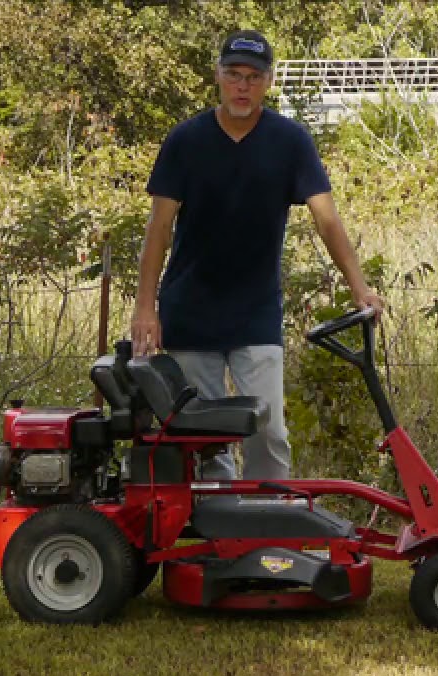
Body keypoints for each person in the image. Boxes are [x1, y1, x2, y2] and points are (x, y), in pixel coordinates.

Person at [131, 30, 384, 482]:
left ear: (268, 82)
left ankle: (270, 530)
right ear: (218, 77)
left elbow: (327, 220)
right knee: (205, 438)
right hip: (190, 309)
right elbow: (158, 230)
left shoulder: (290, 142)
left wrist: (359, 288)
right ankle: (222, 539)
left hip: (256, 311)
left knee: (268, 431)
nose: (242, 87)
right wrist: (145, 308)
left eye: (253, 77)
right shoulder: (185, 141)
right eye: (233, 75)